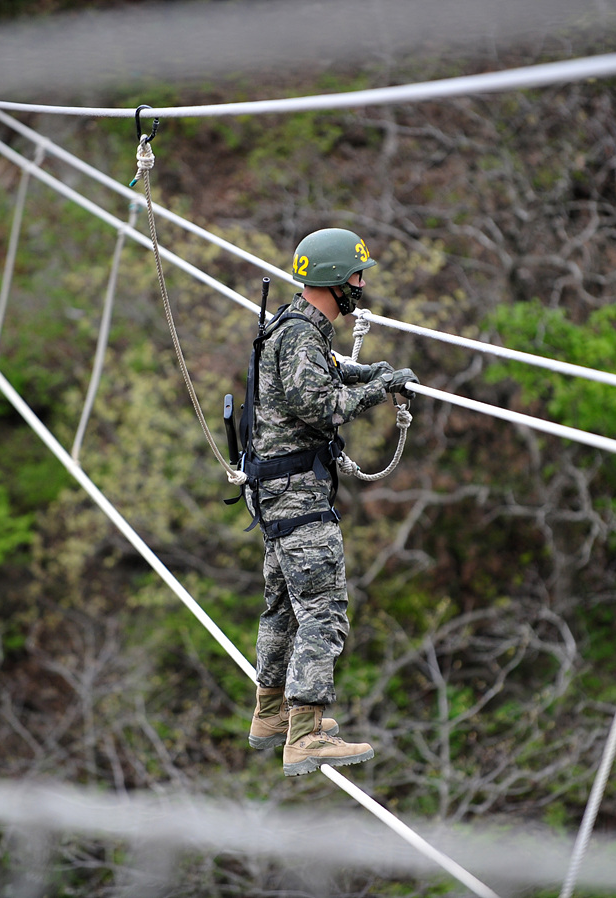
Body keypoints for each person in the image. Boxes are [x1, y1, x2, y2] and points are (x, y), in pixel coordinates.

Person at [242, 227, 417, 777]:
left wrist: (373, 374)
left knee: (282, 608)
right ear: (336, 280)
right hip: (296, 501)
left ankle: (271, 715)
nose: (361, 286)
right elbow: (321, 405)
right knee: (323, 612)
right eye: (356, 276)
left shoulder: (297, 328)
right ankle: (306, 733)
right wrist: (381, 392)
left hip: (276, 497)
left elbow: (328, 374)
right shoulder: (298, 338)